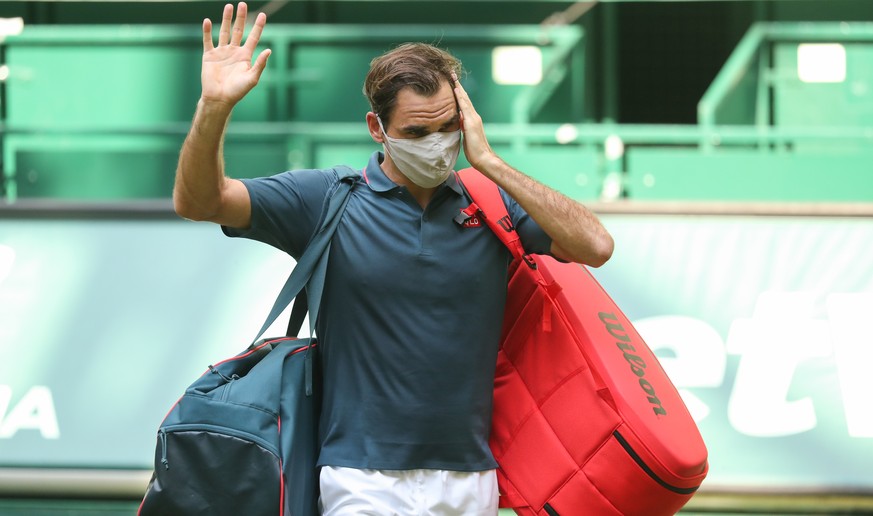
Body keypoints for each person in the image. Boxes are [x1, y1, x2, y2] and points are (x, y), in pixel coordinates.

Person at [174, 3, 614, 514]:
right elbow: (199, 201)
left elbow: (596, 246)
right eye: (415, 132)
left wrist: (489, 162)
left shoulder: (493, 206)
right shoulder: (325, 198)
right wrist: (214, 106)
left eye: (448, 126)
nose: (436, 144)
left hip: (472, 477)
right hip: (361, 477)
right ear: (376, 128)